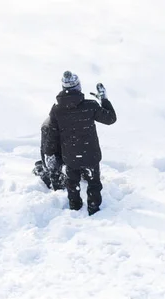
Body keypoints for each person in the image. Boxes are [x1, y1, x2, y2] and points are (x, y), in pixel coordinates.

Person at [46, 71, 117, 215]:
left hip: (70, 156)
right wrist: (104, 100)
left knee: (72, 183)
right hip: (90, 154)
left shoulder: (57, 110)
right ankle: (94, 209)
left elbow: (51, 134)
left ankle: (75, 207)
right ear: (78, 87)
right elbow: (110, 119)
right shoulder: (90, 105)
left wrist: (50, 153)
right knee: (94, 183)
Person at [32, 117, 65, 190]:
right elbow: (47, 152)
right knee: (51, 168)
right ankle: (42, 171)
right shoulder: (50, 126)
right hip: (51, 132)